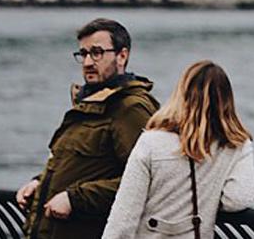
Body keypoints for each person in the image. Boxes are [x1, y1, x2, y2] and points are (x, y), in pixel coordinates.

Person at [17, 18, 159, 239]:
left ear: (122, 55)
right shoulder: (88, 104)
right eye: (83, 54)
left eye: (97, 52)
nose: (87, 62)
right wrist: (40, 183)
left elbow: (151, 181)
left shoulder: (131, 108)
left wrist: (76, 199)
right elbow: (81, 165)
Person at [100, 60, 254, 239]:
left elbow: (123, 220)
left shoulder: (152, 142)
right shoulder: (236, 145)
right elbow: (238, 198)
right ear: (227, 100)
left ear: (181, 94)